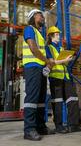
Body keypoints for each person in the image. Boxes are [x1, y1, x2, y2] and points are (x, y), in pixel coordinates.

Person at [22, 9, 55, 141]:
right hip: (32, 67)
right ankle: (29, 129)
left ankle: (41, 126)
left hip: (40, 69)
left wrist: (48, 63)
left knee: (41, 100)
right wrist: (47, 61)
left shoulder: (39, 34)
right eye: (39, 15)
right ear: (32, 17)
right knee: (32, 98)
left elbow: (41, 50)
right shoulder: (29, 29)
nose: (42, 17)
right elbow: (33, 49)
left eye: (42, 15)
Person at [46, 26, 81, 134]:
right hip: (55, 78)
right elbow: (52, 62)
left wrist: (68, 60)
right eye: (56, 35)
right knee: (57, 102)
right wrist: (64, 60)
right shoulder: (48, 48)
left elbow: (64, 63)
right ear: (51, 36)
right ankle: (59, 126)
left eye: (58, 34)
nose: (59, 36)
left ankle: (73, 125)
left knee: (73, 99)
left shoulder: (61, 49)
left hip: (66, 77)